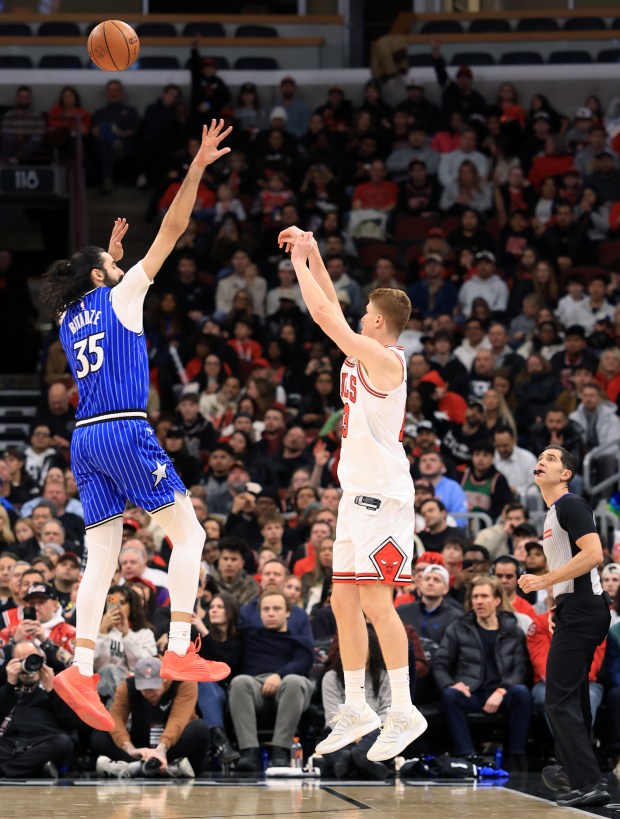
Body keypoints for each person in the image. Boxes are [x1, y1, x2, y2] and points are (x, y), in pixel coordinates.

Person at [40, 120, 234, 733]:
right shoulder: (122, 299)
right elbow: (173, 228)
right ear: (103, 277)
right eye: (110, 265)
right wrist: (199, 165)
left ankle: (80, 665)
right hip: (124, 430)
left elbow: (93, 286)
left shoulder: (71, 317)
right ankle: (180, 646)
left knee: (99, 559)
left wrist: (107, 260)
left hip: (85, 439)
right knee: (191, 535)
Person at [281, 227, 427, 763]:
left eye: (366, 311)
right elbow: (336, 310)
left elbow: (325, 316)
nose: (358, 315)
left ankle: (404, 708)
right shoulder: (364, 347)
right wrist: (315, 252)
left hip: (385, 499)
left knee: (375, 602)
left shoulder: (387, 361)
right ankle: (359, 706)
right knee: (341, 600)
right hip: (353, 496)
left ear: (379, 321)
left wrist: (297, 262)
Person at [518, 445, 611, 807]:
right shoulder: (552, 513)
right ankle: (582, 779)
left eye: (551, 459)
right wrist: (556, 605)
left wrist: (544, 582)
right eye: (540, 457)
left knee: (558, 702)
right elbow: (568, 561)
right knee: (573, 700)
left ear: (567, 474)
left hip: (585, 610)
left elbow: (593, 555)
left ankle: (588, 780)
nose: (541, 462)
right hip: (576, 609)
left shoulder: (571, 505)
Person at [433, 575, 531, 770]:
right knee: (450, 694)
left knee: (521, 693)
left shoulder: (513, 630)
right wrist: (452, 684)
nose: (478, 601)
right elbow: (439, 663)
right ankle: (467, 754)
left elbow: (520, 668)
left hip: (501, 693)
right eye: (475, 597)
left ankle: (516, 757)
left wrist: (502, 690)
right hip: (473, 691)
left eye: (484, 596)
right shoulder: (459, 627)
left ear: (496, 601)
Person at [229, 589, 314, 772]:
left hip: (289, 690)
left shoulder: (299, 641)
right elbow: (222, 636)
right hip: (255, 688)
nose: (271, 613)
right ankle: (249, 752)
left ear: (288, 612)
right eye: (266, 609)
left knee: (293, 681)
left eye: (277, 608)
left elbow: (302, 662)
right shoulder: (248, 635)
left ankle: (281, 750)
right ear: (260, 613)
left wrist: (279, 675)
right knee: (239, 682)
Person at [91, 656, 209, 779]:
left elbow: (178, 719)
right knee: (99, 735)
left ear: (164, 678)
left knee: (200, 728)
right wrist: (129, 748)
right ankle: (156, 767)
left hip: (173, 747)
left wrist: (161, 749)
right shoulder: (128, 686)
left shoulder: (184, 682)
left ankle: (134, 768)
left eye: (153, 687)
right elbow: (115, 718)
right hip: (141, 749)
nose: (149, 692)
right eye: (144, 689)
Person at [0, 640, 78, 778]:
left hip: (44, 742)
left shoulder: (58, 683)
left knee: (63, 743)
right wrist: (9, 685)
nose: (29, 665)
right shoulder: (9, 686)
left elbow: (73, 721)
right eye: (22, 661)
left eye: (32, 658)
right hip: (11, 744)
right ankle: (37, 769)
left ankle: (6, 771)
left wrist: (53, 690)